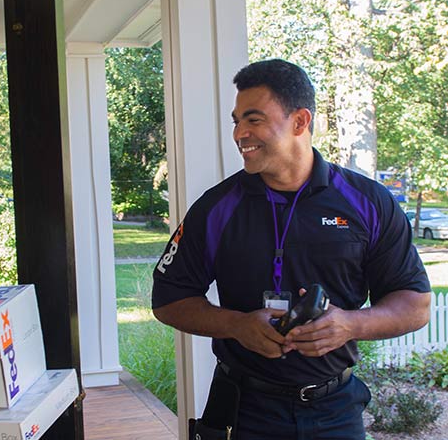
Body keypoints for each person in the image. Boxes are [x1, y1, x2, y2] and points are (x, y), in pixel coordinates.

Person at [152, 59, 431, 439]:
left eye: (253, 119)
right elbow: (168, 299)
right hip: (243, 409)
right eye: (236, 121)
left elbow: (415, 305)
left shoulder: (368, 202)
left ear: (300, 121)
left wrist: (350, 325)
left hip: (336, 410)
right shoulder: (216, 207)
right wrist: (238, 325)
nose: (239, 134)